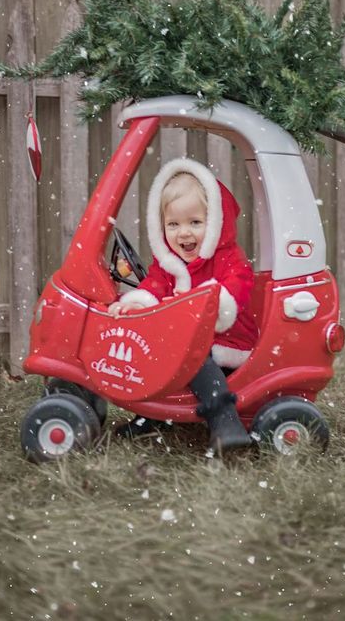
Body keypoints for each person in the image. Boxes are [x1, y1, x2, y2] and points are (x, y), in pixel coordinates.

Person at [108, 158, 258, 452]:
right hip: (184, 342)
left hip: (225, 342)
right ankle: (152, 415)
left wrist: (209, 306)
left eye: (195, 223)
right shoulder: (170, 264)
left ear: (215, 224)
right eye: (173, 224)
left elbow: (234, 292)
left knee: (195, 358)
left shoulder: (230, 260)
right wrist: (137, 304)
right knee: (152, 349)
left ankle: (225, 419)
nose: (184, 233)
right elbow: (154, 285)